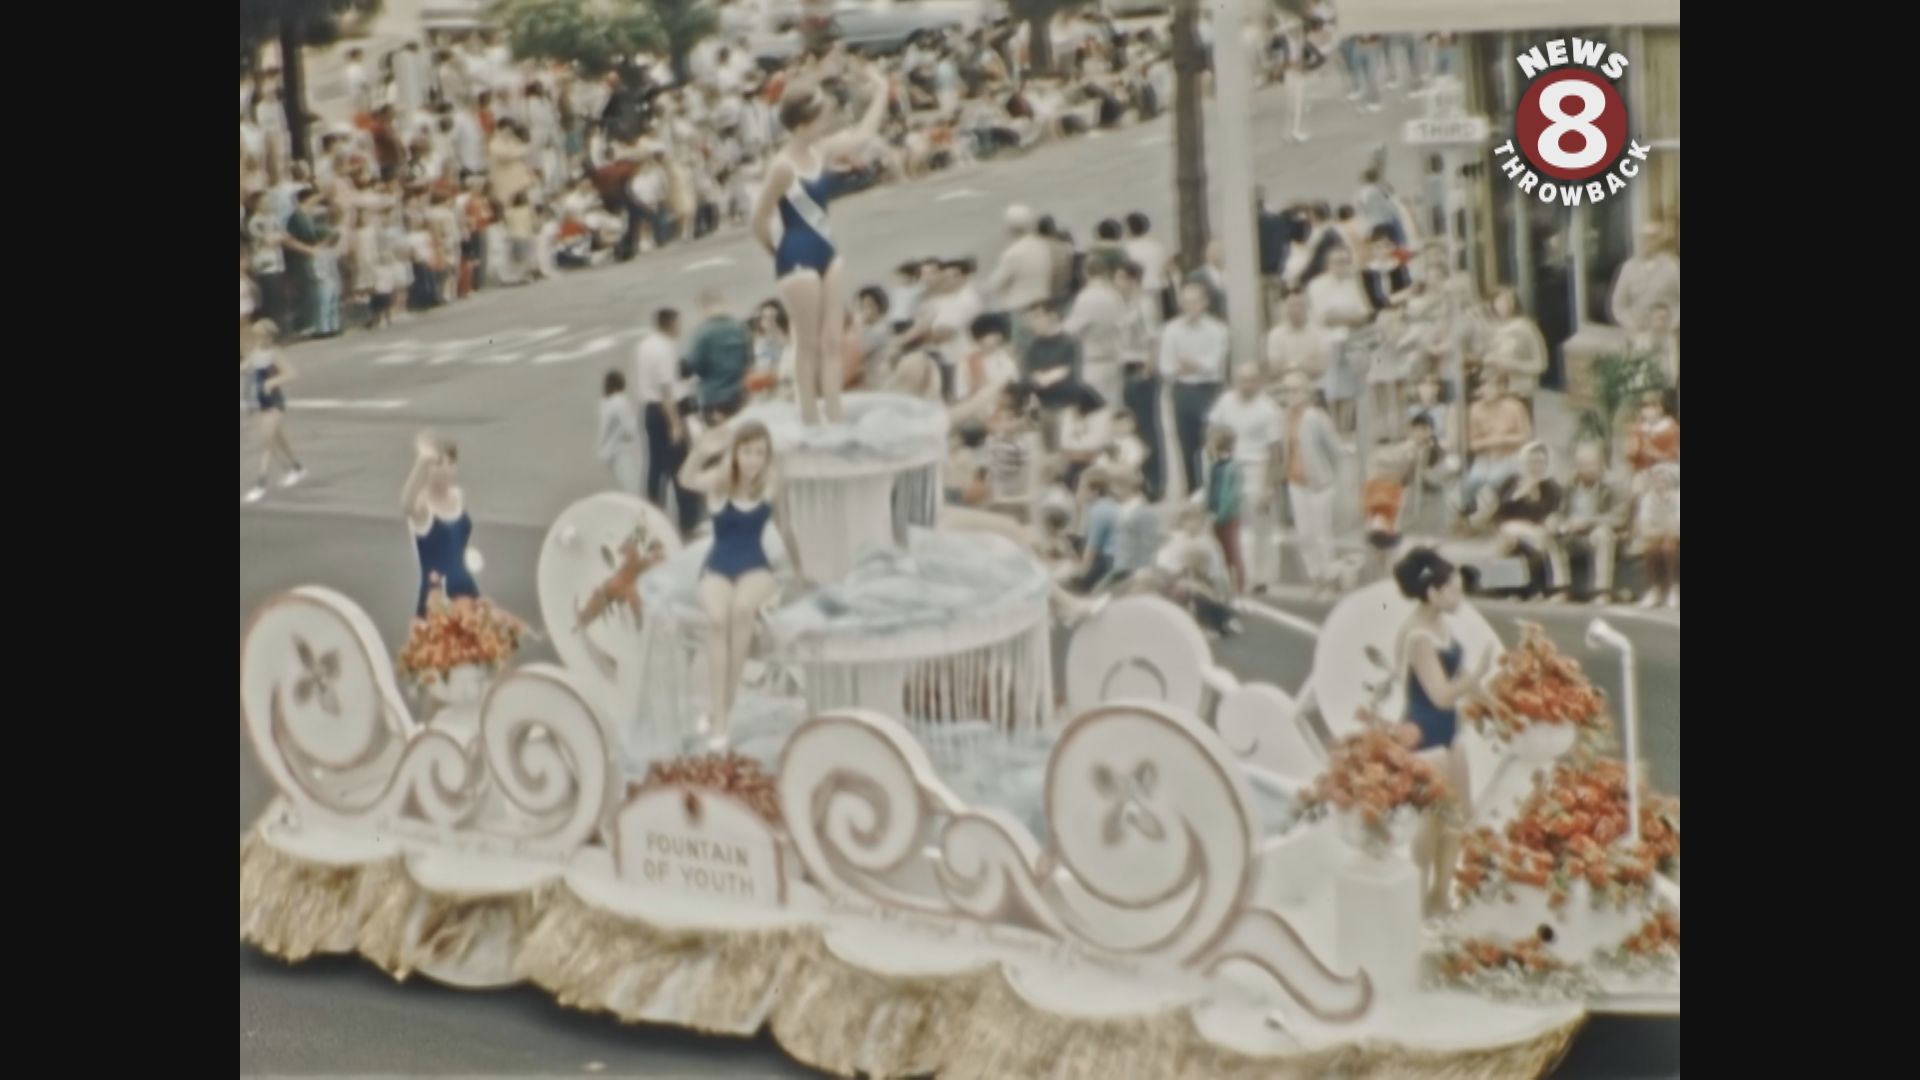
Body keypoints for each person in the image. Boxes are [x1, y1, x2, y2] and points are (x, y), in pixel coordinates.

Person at [752, 63, 892, 426]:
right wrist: (777, 252)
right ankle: (811, 417)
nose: (826, 124)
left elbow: (863, 135)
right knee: (807, 344)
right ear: (802, 123)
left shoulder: (822, 151)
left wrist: (880, 91)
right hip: (796, 255)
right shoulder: (782, 167)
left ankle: (835, 411)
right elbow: (759, 219)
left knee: (832, 340)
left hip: (826, 250)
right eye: (820, 118)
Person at [677, 421, 806, 751]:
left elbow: (786, 527)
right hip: (718, 566)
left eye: (759, 453)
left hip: (755, 566)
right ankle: (722, 711)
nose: (753, 460)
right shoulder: (720, 485)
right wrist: (701, 451)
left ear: (767, 457)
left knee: (743, 609)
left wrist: (800, 570)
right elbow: (685, 479)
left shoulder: (770, 486)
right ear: (735, 453)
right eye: (747, 451)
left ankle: (721, 717)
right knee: (717, 621)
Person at [1391, 547, 1490, 915]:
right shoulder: (1418, 635)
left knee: (1458, 815)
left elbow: (1459, 679)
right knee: (1432, 820)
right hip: (1424, 733)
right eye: (1452, 590)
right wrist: (1477, 675)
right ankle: (1416, 899)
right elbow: (1442, 695)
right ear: (1431, 592)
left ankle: (1440, 895)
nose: (1458, 596)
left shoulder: (1441, 626)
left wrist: (1497, 702)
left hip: (1449, 733)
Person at [1208, 364, 1284, 592]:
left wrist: (1268, 486)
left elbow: (1275, 451)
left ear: (1259, 382)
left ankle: (1263, 577)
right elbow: (1213, 431)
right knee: (1233, 525)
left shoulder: (1268, 409)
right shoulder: (1225, 402)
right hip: (1229, 465)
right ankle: (1240, 574)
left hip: (1257, 467)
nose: (1246, 385)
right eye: (1242, 380)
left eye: (1251, 380)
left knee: (1259, 527)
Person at [1159, 282, 1231, 495]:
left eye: (1195, 301)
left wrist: (1190, 364)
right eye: (1186, 302)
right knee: (1186, 444)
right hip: (1182, 391)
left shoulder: (1217, 329)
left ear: (1205, 303)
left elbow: (1214, 365)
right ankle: (1193, 490)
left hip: (1209, 390)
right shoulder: (1171, 329)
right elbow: (1166, 367)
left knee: (1212, 442)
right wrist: (1195, 365)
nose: (1190, 307)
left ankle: (1217, 490)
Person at [401, 431, 480, 618]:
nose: (445, 469)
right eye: (437, 464)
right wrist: (422, 459)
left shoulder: (458, 496)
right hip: (436, 600)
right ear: (427, 469)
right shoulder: (423, 508)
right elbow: (406, 503)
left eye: (450, 463)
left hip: (468, 594)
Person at [1278, 370, 1342, 597]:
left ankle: (1330, 576)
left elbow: (1334, 448)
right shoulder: (1285, 416)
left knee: (1322, 533)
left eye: (1295, 390)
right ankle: (1315, 575)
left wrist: (1325, 471)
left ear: (1306, 392)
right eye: (1286, 390)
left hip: (1319, 482)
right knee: (1304, 534)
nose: (1290, 395)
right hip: (1295, 482)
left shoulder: (1316, 417)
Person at [636, 308, 698, 537]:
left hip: (649, 410)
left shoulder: (646, 345)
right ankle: (688, 521)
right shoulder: (664, 349)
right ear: (670, 324)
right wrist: (675, 424)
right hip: (666, 410)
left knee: (656, 466)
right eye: (678, 323)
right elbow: (666, 390)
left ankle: (652, 513)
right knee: (681, 466)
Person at [1307, 247, 1374, 435]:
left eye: (1346, 261)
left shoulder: (1353, 283)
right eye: (1337, 261)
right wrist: (1350, 317)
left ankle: (1345, 430)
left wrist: (1345, 316)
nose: (1342, 266)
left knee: (1350, 390)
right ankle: (1332, 431)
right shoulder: (1317, 285)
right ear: (1328, 264)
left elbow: (1364, 313)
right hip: (1328, 342)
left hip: (1353, 341)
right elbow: (1326, 317)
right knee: (1331, 389)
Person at [1488, 442, 1566, 599]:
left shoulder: (1551, 488)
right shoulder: (1511, 483)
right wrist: (1520, 493)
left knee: (1543, 539)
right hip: (1511, 530)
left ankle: (1556, 589)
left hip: (1538, 533)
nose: (1537, 467)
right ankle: (1505, 589)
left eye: (1541, 462)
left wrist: (1551, 521)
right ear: (1523, 463)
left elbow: (1555, 513)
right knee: (1510, 538)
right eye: (1533, 462)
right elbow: (1500, 512)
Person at [241, 321, 306, 504]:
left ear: (269, 336)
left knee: (265, 441)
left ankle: (260, 483)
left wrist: (272, 382)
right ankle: (296, 468)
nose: (256, 338)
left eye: (260, 335)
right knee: (278, 439)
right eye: (255, 335)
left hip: (273, 402)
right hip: (257, 402)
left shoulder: (275, 353)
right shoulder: (255, 353)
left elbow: (292, 373)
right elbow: (245, 368)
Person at [1562, 442, 1627, 603]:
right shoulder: (1568, 486)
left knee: (1603, 534)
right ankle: (1559, 590)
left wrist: (1588, 522)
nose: (1588, 468)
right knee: (1547, 535)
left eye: (1592, 464)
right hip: (1571, 535)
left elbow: (1619, 518)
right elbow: (1558, 512)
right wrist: (1557, 521)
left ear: (1601, 464)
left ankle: (1602, 591)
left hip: (1597, 534)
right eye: (1583, 464)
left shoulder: (1613, 486)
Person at [1065, 252, 1130, 404]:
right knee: (1113, 407)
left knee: (1094, 408)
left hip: (1092, 361)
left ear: (1085, 273)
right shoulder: (1115, 296)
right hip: (1114, 360)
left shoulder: (1086, 297)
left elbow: (1071, 330)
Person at [1463, 371, 1532, 512]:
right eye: (1483, 386)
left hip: (1511, 455)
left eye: (1491, 386)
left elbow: (1526, 437)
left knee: (1494, 480)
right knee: (1472, 482)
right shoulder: (1474, 409)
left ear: (1502, 389)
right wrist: (1493, 442)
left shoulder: (1515, 407)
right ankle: (1469, 514)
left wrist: (1502, 440)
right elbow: (1472, 444)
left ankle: (1497, 513)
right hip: (1485, 456)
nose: (1486, 390)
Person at [685, 289, 754, 424]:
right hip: (739, 394)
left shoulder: (702, 333)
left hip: (713, 396)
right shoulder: (739, 327)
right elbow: (750, 360)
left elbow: (695, 365)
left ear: (703, 307)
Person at [1608, 222, 1681, 335]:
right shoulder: (1628, 268)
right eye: (1643, 238)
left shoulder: (1672, 266)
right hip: (1638, 335)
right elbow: (1618, 305)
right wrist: (1630, 324)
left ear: (1659, 240)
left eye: (1651, 238)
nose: (1647, 242)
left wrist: (1673, 324)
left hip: (1667, 335)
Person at [1482, 288, 1549, 406]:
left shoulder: (1526, 327)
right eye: (1499, 301)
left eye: (1508, 301)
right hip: (1493, 391)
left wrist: (1511, 364)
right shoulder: (1490, 328)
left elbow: (1540, 364)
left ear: (1515, 303)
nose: (1503, 305)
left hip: (1518, 392)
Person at [1200, 425, 1245, 592]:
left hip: (1227, 516)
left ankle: (1238, 585)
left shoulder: (1231, 467)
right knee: (1218, 552)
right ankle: (1224, 584)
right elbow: (1209, 489)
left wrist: (1219, 515)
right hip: (1213, 514)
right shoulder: (1213, 465)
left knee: (1232, 551)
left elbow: (1230, 497)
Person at [990, 204, 1055, 315]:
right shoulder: (1042, 246)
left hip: (1018, 307)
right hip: (1041, 303)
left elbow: (995, 284)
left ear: (1009, 227)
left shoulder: (1012, 253)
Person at [1632, 462, 1680, 609]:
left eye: (1664, 479)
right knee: (1650, 547)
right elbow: (1644, 526)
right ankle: (1654, 589)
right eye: (1657, 479)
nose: (1660, 483)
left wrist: (1662, 531)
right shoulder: (1648, 499)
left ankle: (1674, 588)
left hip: (1674, 539)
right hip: (1656, 538)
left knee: (1669, 546)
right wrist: (1661, 531)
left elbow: (1677, 527)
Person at [598, 370, 644, 496]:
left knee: (628, 487)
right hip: (620, 451)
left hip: (609, 452)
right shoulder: (620, 401)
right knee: (635, 489)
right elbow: (631, 428)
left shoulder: (605, 403)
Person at [1266, 290, 1330, 382]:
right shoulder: (1275, 335)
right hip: (1285, 387)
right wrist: (1304, 366)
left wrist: (1293, 366)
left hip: (1314, 385)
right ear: (1285, 309)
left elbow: (1321, 368)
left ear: (1307, 308)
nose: (1296, 310)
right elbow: (1275, 370)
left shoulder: (1319, 333)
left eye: (1300, 305)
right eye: (1292, 306)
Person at [1624, 390, 1680, 492]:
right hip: (1644, 472)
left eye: (1653, 407)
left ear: (1661, 408)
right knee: (1637, 488)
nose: (1648, 411)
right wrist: (1633, 450)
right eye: (1644, 407)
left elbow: (1675, 456)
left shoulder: (1671, 428)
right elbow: (1631, 458)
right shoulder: (1637, 430)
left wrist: (1656, 454)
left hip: (1667, 469)